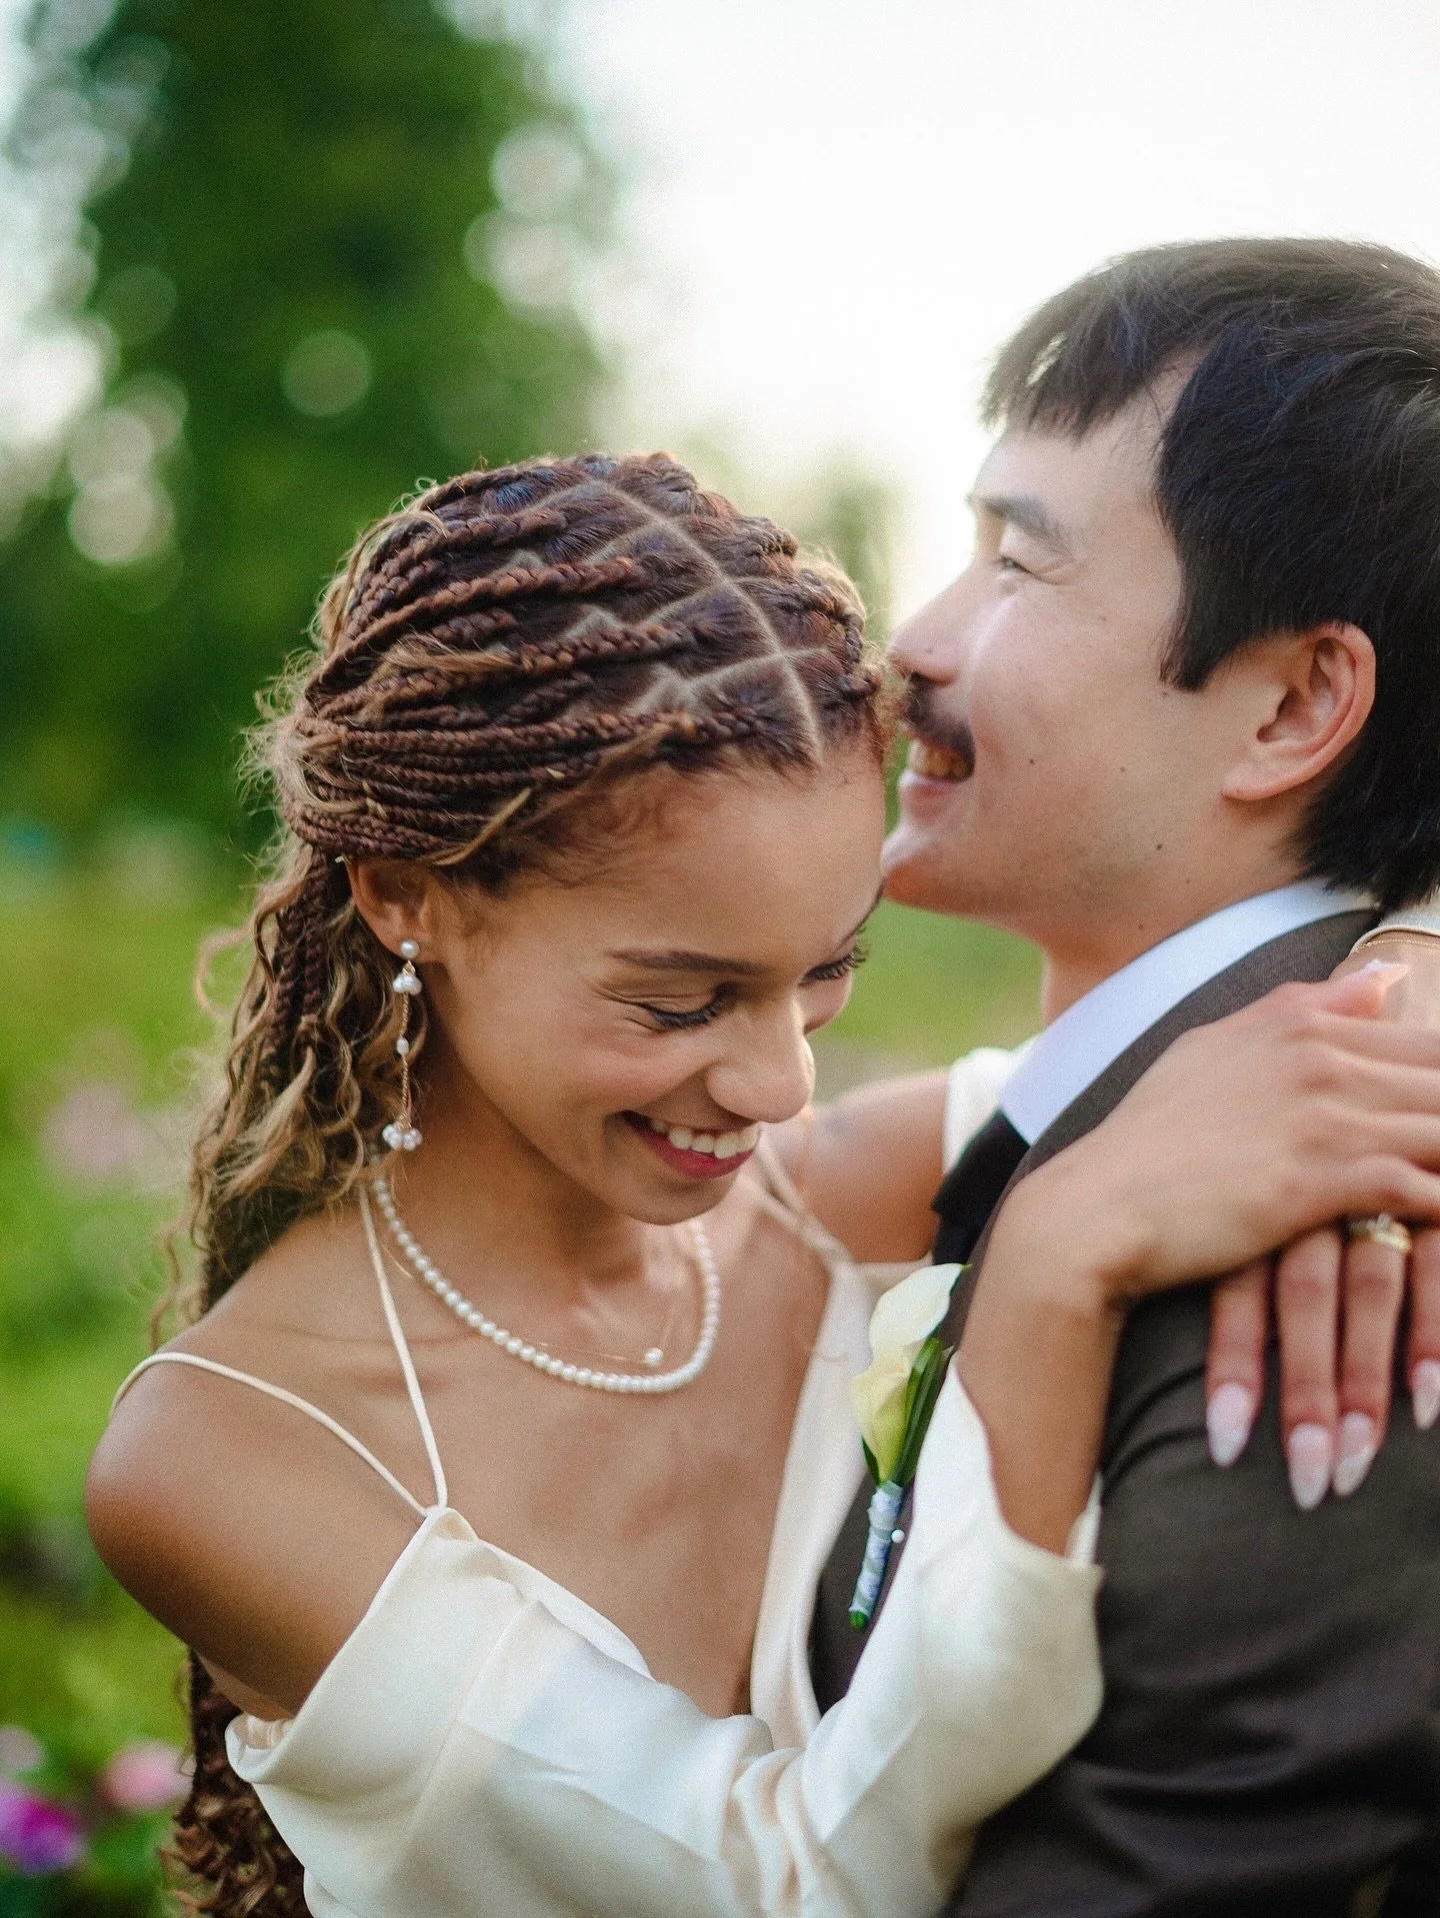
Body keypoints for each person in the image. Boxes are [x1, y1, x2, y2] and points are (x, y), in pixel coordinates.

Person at [85, 450, 1440, 1918]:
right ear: (408, 892)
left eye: (826, 974)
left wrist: (1405, 973)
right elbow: (792, 1883)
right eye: (681, 1000)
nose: (784, 1085)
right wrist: (1044, 1271)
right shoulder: (226, 1457)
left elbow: (1214, 1045)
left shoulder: (830, 1193)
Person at [804, 238, 1440, 1914]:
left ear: (1295, 701)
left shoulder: (1319, 1271)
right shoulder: (1106, 1115)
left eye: (1019, 566)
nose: (915, 645)